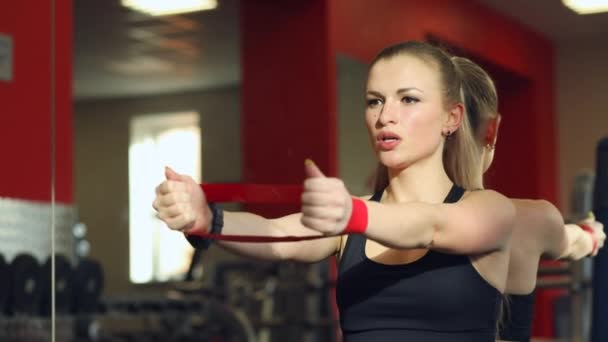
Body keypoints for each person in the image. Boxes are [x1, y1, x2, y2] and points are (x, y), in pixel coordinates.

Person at [153, 41, 516, 341]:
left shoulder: (490, 210)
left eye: (408, 100)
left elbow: (431, 226)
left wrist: (352, 214)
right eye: (375, 100)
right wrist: (209, 219)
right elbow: (279, 236)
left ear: (452, 118)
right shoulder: (353, 219)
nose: (385, 116)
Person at [450, 56, 606, 342]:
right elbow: (576, 241)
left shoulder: (388, 221)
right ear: (491, 130)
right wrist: (592, 233)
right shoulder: (531, 219)